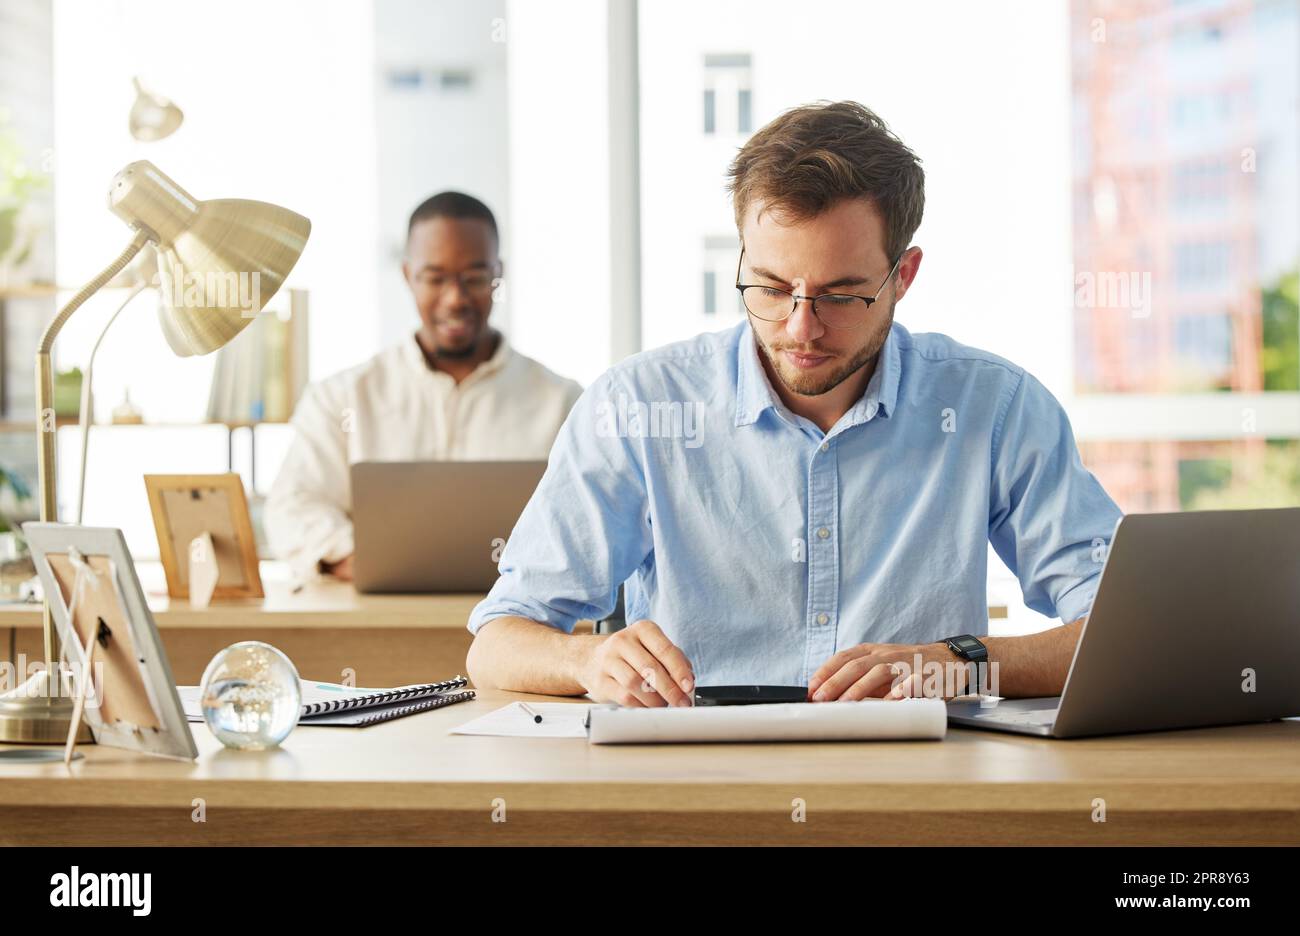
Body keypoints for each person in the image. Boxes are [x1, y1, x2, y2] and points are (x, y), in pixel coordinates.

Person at [465, 101, 1124, 706]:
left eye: (841, 296)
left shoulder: (994, 408)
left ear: (904, 276)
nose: (800, 329)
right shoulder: (638, 406)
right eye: (772, 288)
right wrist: (586, 659)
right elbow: (495, 645)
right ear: (743, 257)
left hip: (919, 790)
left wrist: (958, 665)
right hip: (695, 785)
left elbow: (1123, 630)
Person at [266, 192, 582, 582]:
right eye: (435, 278)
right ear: (407, 275)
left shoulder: (563, 402)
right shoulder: (341, 398)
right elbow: (291, 508)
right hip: (380, 625)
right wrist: (375, 562)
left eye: (475, 278)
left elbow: (588, 524)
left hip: (521, 626)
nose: (455, 299)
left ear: (498, 274)